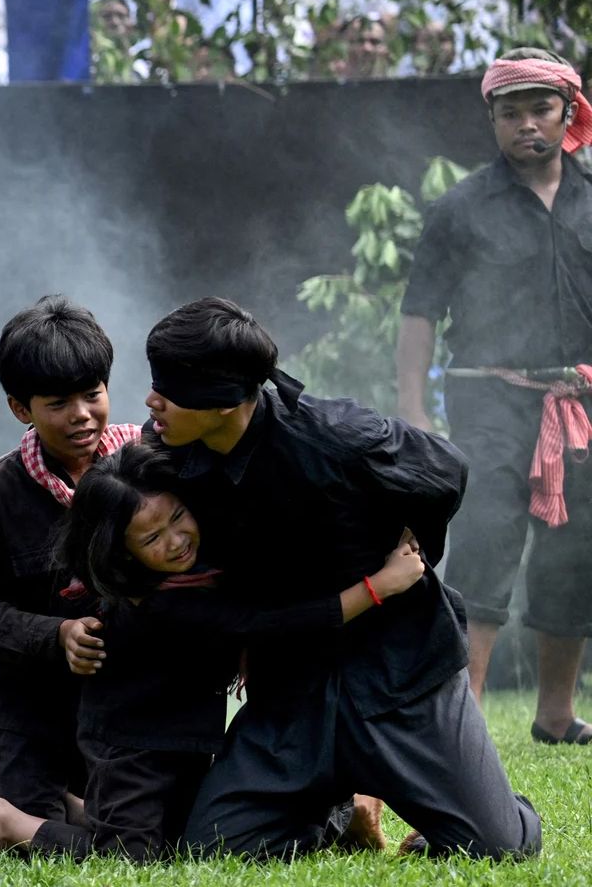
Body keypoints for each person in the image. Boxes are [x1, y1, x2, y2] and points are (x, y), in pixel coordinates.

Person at [147, 297, 541, 859]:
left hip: (400, 671)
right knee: (213, 845)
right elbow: (107, 482)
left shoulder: (335, 436)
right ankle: (338, 806)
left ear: (225, 400)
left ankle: (497, 805)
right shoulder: (171, 453)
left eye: (171, 386)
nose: (152, 398)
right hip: (293, 686)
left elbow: (445, 469)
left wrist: (410, 548)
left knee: (498, 845)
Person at [0, 442, 416, 861]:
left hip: (185, 740)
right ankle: (4, 819)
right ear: (124, 552)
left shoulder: (194, 573)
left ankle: (51, 805)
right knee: (131, 855)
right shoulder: (160, 600)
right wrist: (377, 588)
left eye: (178, 518)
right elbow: (268, 625)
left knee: (190, 838)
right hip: (132, 748)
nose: (176, 541)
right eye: (152, 539)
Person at [399, 47, 592, 745]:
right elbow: (419, 314)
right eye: (510, 113)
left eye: (541, 109)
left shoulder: (591, 197)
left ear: (569, 112)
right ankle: (466, 718)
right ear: (492, 120)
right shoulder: (460, 208)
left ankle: (555, 714)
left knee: (576, 550)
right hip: (490, 402)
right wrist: (415, 411)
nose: (526, 125)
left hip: (582, 407)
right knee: (484, 542)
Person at [0, 296, 137, 852]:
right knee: (34, 835)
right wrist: (56, 636)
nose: (82, 414)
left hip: (120, 686)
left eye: (92, 394)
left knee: (135, 825)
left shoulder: (145, 469)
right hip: (22, 692)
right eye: (58, 402)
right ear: (19, 408)